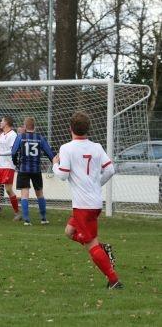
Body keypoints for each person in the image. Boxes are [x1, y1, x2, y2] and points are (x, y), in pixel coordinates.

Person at [52, 111, 121, 290]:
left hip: (83, 205)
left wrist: (54, 165)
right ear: (88, 129)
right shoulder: (96, 147)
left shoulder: (66, 148)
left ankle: (114, 280)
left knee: (91, 245)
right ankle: (101, 249)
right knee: (69, 232)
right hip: (94, 203)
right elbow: (110, 170)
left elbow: (63, 174)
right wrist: (97, 184)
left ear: (70, 129)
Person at [11, 117, 55, 225]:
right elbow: (49, 153)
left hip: (23, 169)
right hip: (36, 169)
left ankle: (27, 220)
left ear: (25, 127)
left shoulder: (20, 137)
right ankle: (43, 218)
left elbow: (13, 152)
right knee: (39, 193)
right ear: (34, 127)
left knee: (24, 194)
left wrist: (15, 162)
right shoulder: (40, 138)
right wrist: (54, 163)